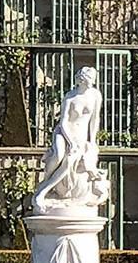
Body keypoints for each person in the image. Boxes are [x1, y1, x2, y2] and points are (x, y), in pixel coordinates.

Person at [32, 67, 111, 215]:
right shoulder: (70, 97)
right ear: (82, 79)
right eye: (90, 79)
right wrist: (71, 142)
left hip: (81, 136)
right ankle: (46, 182)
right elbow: (63, 123)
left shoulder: (95, 95)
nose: (93, 83)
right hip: (64, 133)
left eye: (94, 80)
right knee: (58, 155)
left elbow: (95, 119)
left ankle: (43, 192)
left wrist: (92, 141)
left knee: (69, 161)